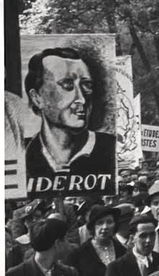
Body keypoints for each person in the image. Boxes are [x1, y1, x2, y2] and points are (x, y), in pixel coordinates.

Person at [24, 47, 116, 184]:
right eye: (67, 84)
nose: (82, 99)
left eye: (86, 85)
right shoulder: (22, 153)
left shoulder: (111, 148)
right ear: (37, 98)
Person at [66, 205, 127, 276]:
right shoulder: (78, 254)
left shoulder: (123, 251)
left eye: (109, 222)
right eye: (100, 223)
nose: (105, 227)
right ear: (92, 226)